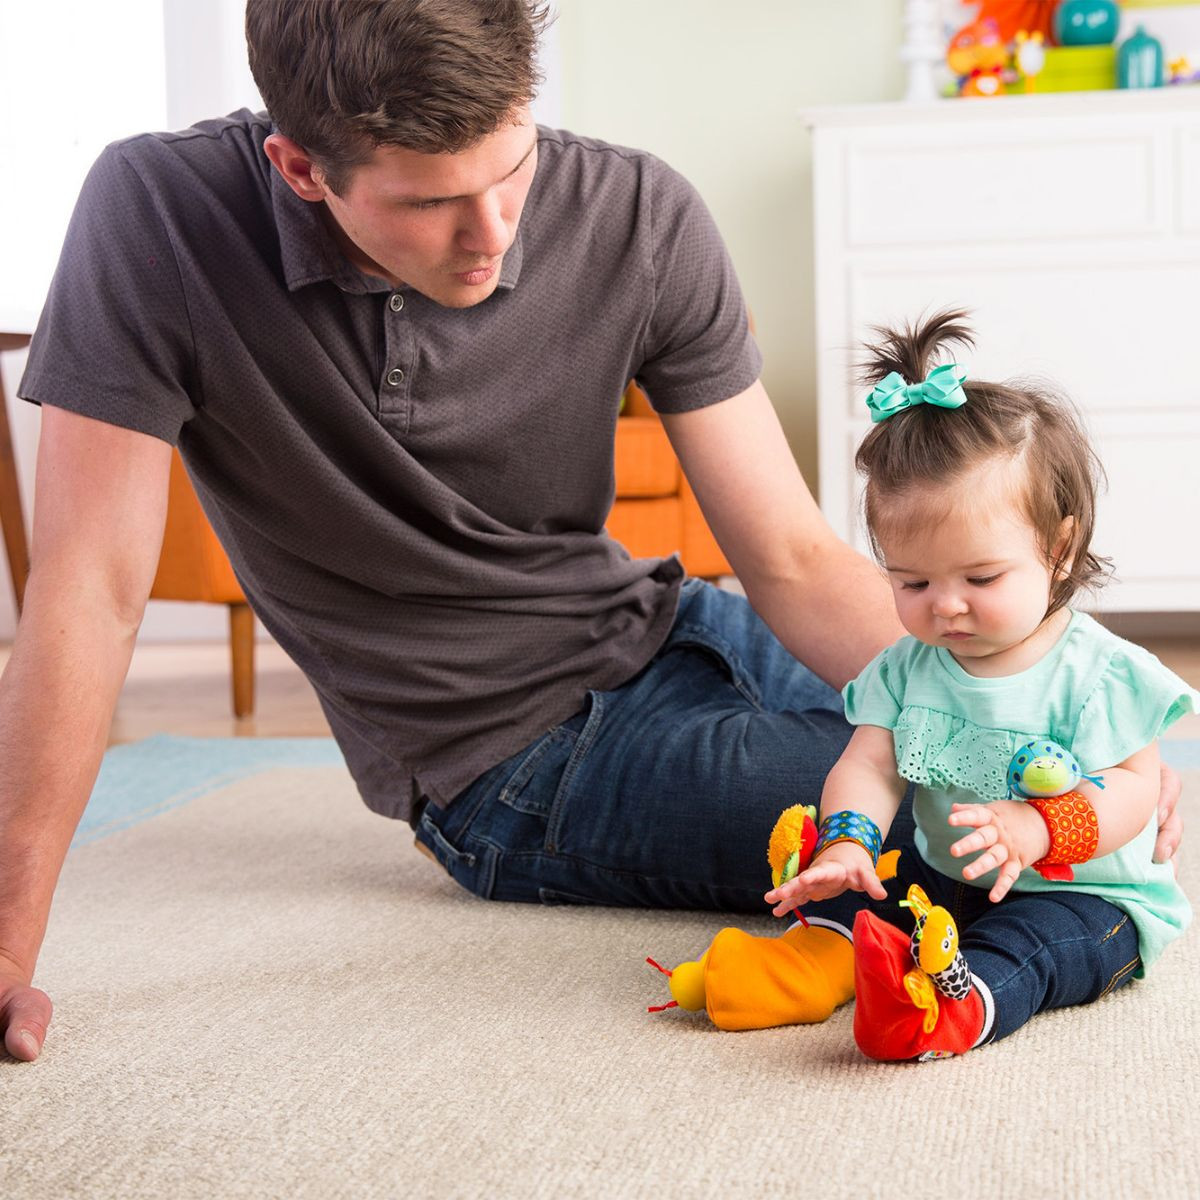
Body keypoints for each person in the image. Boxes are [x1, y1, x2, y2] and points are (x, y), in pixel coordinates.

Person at [0, 3, 1181, 1065]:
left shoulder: (637, 210)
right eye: (430, 203)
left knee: (1068, 775)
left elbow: (793, 556)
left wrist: (1063, 697)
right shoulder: (156, 215)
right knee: (939, 841)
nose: (495, 233)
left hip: (675, 625)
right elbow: (89, 593)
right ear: (301, 168)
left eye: (512, 170)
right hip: (509, 759)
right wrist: (8, 940)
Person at [764, 311, 1195, 1061]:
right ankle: (821, 960)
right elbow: (868, 764)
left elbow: (1133, 788)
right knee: (875, 898)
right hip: (948, 880)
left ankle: (963, 1008)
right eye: (913, 580)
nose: (946, 604)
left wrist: (1039, 830)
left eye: (982, 577)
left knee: (1035, 948)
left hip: (1086, 898)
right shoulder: (906, 669)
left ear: (1059, 550)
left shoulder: (1099, 676)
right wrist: (847, 842)